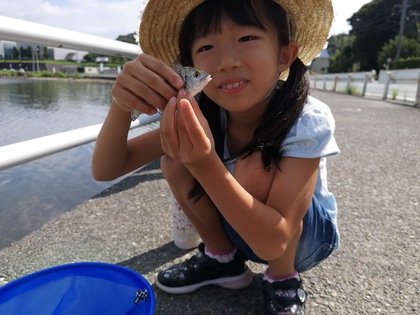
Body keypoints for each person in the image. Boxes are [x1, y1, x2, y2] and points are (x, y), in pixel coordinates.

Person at [92, 0, 339, 313]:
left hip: (301, 240)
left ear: (284, 55)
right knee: (173, 160)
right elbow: (106, 168)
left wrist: (206, 163)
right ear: (188, 65)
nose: (227, 61)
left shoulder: (307, 119)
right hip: (246, 230)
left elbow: (273, 242)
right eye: (207, 46)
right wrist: (121, 104)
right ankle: (223, 261)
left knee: (253, 166)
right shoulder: (207, 112)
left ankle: (282, 279)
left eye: (246, 38)